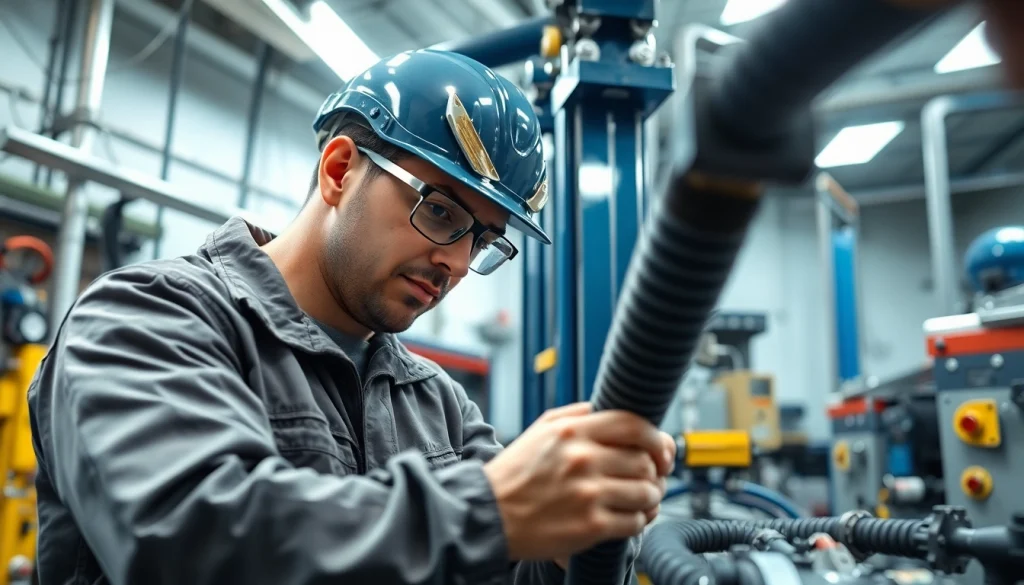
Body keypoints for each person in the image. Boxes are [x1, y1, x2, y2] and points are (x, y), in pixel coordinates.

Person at [27, 49, 675, 585]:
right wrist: (494, 507)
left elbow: (507, 571)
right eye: (441, 210)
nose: (453, 260)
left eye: (481, 240)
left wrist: (577, 535)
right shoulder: (144, 318)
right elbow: (190, 543)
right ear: (339, 169)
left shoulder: (437, 405)